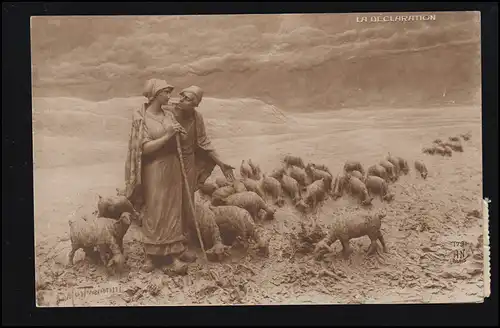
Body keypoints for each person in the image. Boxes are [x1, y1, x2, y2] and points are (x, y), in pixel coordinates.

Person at [124, 79, 235, 275]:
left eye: (185, 98)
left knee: (175, 209)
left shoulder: (174, 115)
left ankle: (175, 250)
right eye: (168, 93)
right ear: (157, 94)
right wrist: (168, 136)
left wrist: (218, 161)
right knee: (155, 208)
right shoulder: (147, 116)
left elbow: (198, 140)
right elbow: (144, 147)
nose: (174, 97)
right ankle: (152, 254)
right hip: (156, 168)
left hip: (177, 166)